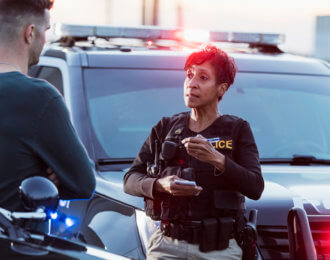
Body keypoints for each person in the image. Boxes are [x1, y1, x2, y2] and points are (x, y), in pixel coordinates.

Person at [124, 45, 264, 259]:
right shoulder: (165, 127)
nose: (192, 84)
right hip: (166, 246)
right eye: (189, 75)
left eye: (203, 77)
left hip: (219, 250)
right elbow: (130, 179)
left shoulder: (238, 129)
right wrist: (160, 185)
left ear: (221, 89)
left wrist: (217, 159)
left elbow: (255, 187)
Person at [0, 0, 96, 212]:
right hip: (14, 242)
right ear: (30, 32)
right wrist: (48, 175)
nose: (46, 39)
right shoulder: (38, 97)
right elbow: (84, 184)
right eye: (46, 30)